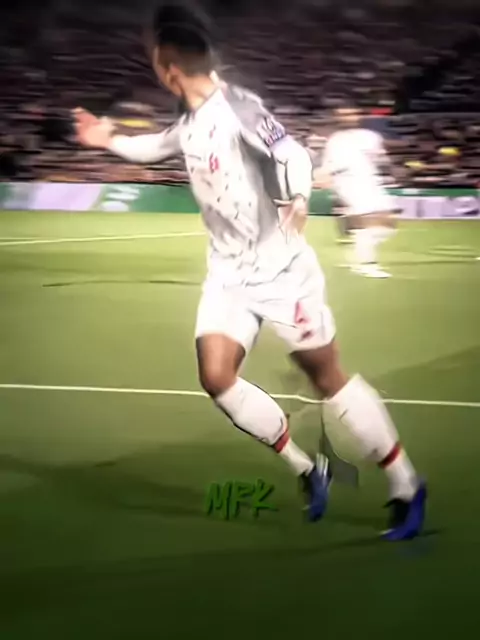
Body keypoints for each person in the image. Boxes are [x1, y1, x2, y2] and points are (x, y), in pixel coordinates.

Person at [73, 2, 426, 541]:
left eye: (153, 58)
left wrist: (299, 197)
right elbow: (155, 146)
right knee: (216, 376)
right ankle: (308, 469)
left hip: (282, 272)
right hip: (228, 275)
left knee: (326, 378)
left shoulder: (238, 107)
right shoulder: (189, 121)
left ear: (168, 65)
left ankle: (405, 483)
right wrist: (109, 140)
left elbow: (292, 153)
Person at [315, 109, 397, 278]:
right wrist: (323, 177)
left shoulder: (370, 136)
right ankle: (365, 264)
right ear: (338, 118)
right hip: (348, 182)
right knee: (369, 222)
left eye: (352, 114)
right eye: (344, 115)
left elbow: (380, 159)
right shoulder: (336, 139)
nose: (349, 117)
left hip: (371, 180)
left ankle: (356, 254)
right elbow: (329, 163)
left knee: (387, 225)